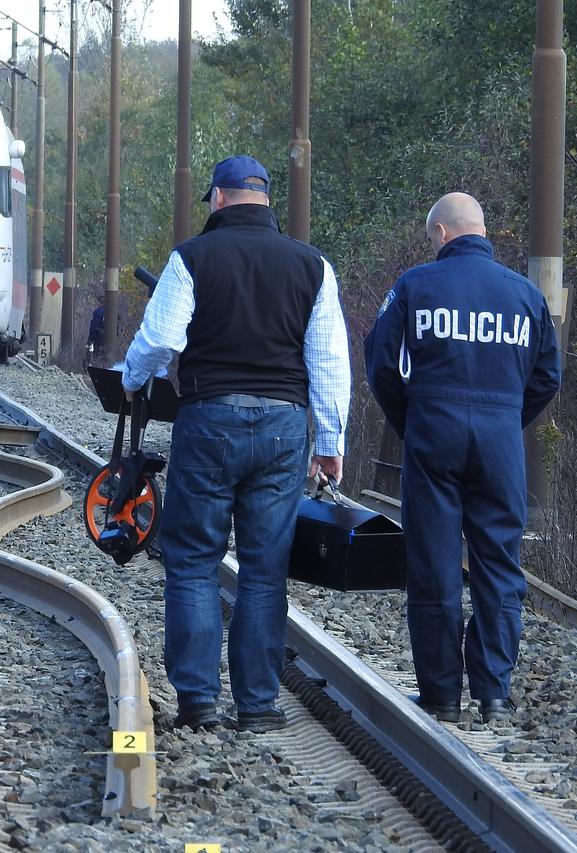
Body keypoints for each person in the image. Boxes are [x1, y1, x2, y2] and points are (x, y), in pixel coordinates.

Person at [120, 155, 350, 733]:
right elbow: (328, 360)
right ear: (266, 199)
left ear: (218, 199)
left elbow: (163, 338)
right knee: (264, 569)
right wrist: (331, 440)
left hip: (210, 420)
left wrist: (130, 376)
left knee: (194, 561)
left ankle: (199, 701)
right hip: (282, 428)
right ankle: (258, 706)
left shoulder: (191, 257)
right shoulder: (313, 265)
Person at [364, 192, 560, 724]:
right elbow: (548, 377)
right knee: (499, 561)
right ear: (481, 230)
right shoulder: (525, 295)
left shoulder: (415, 286)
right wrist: (504, 422)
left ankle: (441, 695)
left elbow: (380, 363)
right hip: (500, 441)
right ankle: (494, 691)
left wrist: (413, 422)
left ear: (443, 234)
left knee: (435, 562)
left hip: (433, 431)